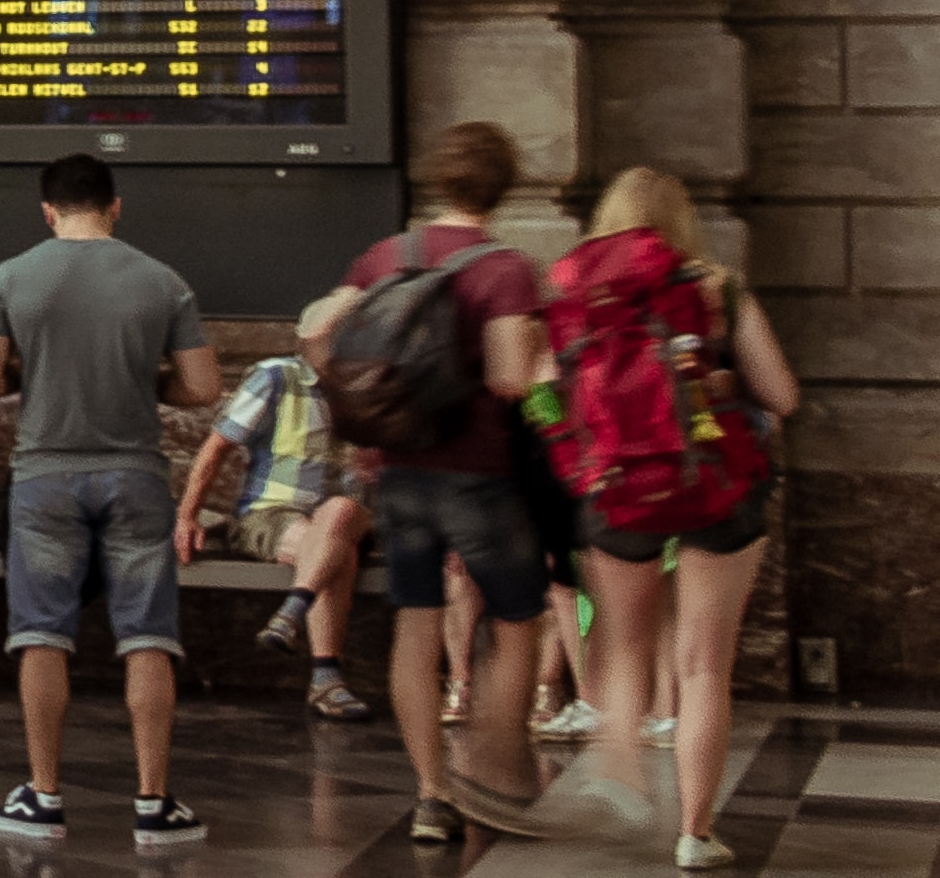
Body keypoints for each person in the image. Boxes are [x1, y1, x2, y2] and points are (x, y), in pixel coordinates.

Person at [0, 149, 219, 848]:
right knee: (148, 636)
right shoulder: (162, 281)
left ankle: (43, 796)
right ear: (114, 206)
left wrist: (33, 370)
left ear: (47, 210)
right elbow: (202, 388)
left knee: (42, 633)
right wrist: (144, 384)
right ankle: (154, 805)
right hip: (136, 477)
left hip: (45, 479)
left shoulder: (13, 276)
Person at [550, 164, 802, 872]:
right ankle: (695, 831)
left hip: (619, 488)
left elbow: (540, 392)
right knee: (700, 666)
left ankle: (616, 776)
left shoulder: (569, 287)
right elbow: (782, 395)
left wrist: (575, 457)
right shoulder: (716, 287)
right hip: (717, 487)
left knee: (623, 646)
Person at [341, 120, 569, 845]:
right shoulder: (505, 270)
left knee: (416, 624)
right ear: (503, 188)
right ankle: (496, 768)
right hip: (481, 475)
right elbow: (509, 378)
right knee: (518, 617)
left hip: (401, 473)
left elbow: (324, 337)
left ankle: (431, 794)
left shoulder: (384, 256)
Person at [178, 296, 373, 725]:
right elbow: (216, 449)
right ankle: (326, 678)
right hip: (272, 514)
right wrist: (186, 515)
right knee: (336, 551)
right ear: (311, 341)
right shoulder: (276, 377)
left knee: (340, 513)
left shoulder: (368, 384)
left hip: (347, 514)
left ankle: (292, 612)